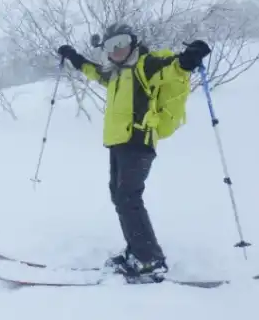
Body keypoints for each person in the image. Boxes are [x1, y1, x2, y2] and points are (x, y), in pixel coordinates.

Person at [57, 23, 211, 279]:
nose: (116, 49)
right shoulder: (115, 74)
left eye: (121, 42)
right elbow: (92, 71)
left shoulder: (145, 65)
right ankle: (137, 251)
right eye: (110, 46)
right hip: (118, 142)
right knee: (120, 196)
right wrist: (73, 56)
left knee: (128, 196)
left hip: (139, 141)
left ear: (133, 42)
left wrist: (187, 60)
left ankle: (149, 259)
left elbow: (172, 68)